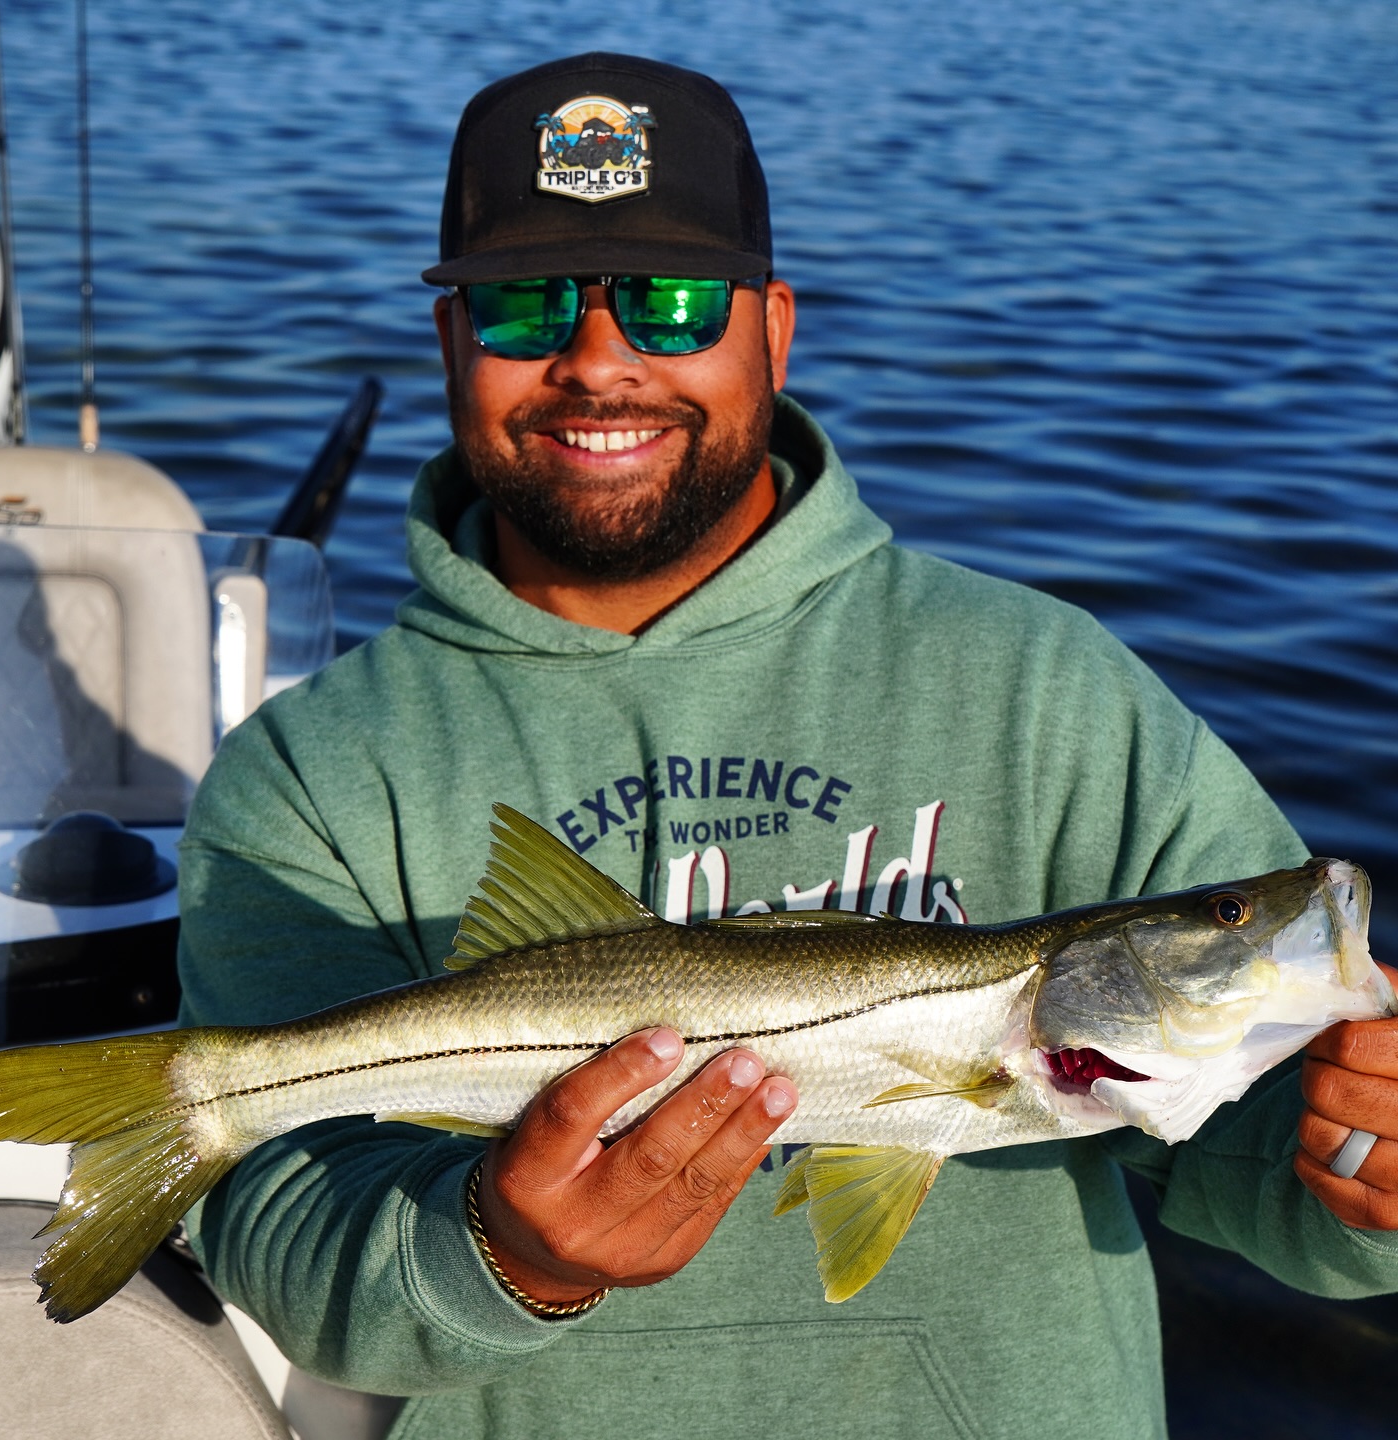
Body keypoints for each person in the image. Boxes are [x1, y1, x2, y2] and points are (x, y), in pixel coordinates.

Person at [178, 51, 1398, 1439]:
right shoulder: (310, 774)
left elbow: (1269, 1173)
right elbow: (285, 1248)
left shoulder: (1047, 686)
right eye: (522, 306)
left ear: (776, 326)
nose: (596, 358)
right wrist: (510, 1257)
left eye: (672, 300)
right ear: (452, 343)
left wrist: (1363, 1170)